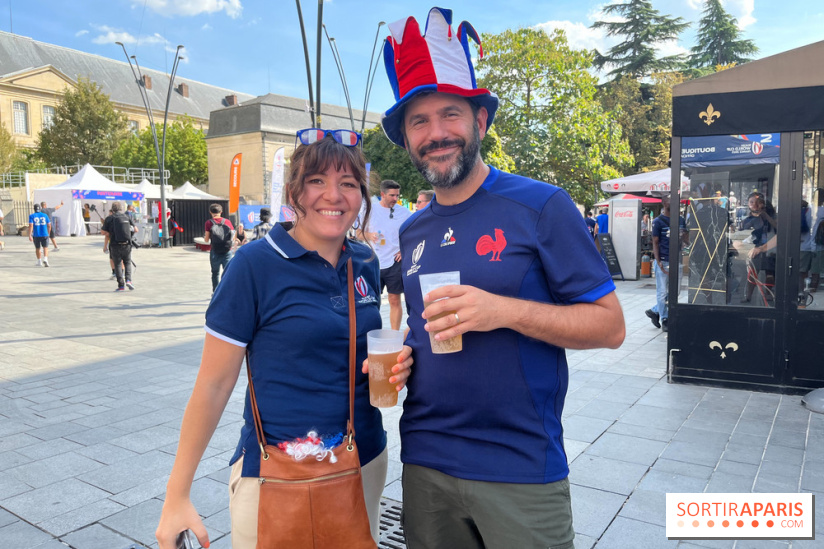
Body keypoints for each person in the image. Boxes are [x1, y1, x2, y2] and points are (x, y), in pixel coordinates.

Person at [379, 8, 625, 548]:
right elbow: (429, 327)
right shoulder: (414, 229)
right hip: (425, 462)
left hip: (519, 468)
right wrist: (404, 352)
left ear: (480, 122)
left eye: (450, 115)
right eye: (419, 122)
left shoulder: (541, 206)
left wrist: (504, 311)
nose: (436, 133)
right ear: (406, 139)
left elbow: (610, 328)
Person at [155, 130, 413, 549]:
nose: (334, 195)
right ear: (294, 192)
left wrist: (397, 362)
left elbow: (349, 347)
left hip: (364, 456)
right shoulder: (254, 265)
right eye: (317, 181)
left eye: (348, 183)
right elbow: (214, 383)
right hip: (280, 471)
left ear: (361, 196)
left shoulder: (363, 261)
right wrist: (177, 493)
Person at [360, 180, 411, 331]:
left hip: (395, 262)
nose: (395, 198)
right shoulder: (370, 210)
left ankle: (395, 335)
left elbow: (413, 235)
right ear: (382, 194)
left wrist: (404, 250)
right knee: (372, 302)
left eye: (397, 195)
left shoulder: (404, 213)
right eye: (392, 195)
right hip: (373, 261)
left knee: (394, 299)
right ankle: (374, 333)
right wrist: (370, 235)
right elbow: (358, 233)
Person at [645, 195, 686, 331]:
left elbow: (686, 239)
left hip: (677, 260)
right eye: (670, 200)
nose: (673, 202)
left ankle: (655, 310)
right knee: (662, 292)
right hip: (663, 259)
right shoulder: (658, 221)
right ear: (663, 203)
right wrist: (658, 261)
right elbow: (655, 242)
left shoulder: (680, 220)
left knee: (676, 291)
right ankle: (665, 319)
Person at [740, 191, 777, 303]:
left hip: (770, 248)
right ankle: (748, 296)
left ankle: (768, 294)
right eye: (751, 202)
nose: (755, 205)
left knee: (769, 272)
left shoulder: (770, 216)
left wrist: (765, 215)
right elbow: (743, 229)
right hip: (755, 247)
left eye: (758, 202)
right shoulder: (750, 217)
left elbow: (777, 227)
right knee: (752, 273)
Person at [101, 202, 136, 291]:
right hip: (127, 244)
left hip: (115, 245)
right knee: (127, 262)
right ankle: (128, 280)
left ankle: (121, 286)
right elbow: (136, 229)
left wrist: (110, 233)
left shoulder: (109, 218)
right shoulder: (126, 217)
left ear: (112, 209)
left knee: (117, 264)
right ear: (121, 208)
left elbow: (103, 232)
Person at [204, 204, 235, 292]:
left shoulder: (209, 223)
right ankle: (228, 291)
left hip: (215, 251)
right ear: (221, 212)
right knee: (228, 273)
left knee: (215, 273)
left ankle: (216, 292)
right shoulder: (227, 222)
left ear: (210, 212)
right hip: (227, 250)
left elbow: (206, 240)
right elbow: (233, 236)